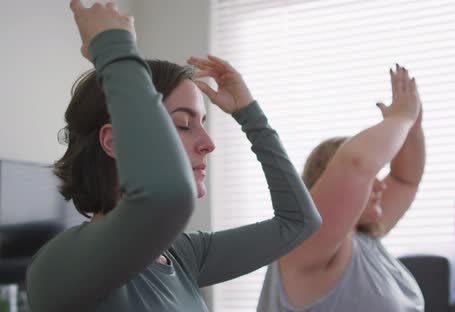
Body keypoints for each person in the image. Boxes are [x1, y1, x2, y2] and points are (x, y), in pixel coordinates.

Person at [25, 2, 321, 311]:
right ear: (115, 142)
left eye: (202, 124)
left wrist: (250, 115)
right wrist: (113, 47)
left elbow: (299, 221)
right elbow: (167, 197)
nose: (208, 143)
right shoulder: (61, 264)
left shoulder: (183, 256)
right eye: (183, 124)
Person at [258, 64, 426, 311]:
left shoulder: (362, 240)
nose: (380, 185)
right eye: (372, 178)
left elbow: (405, 179)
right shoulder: (305, 242)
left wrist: (412, 127)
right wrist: (401, 118)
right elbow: (357, 164)